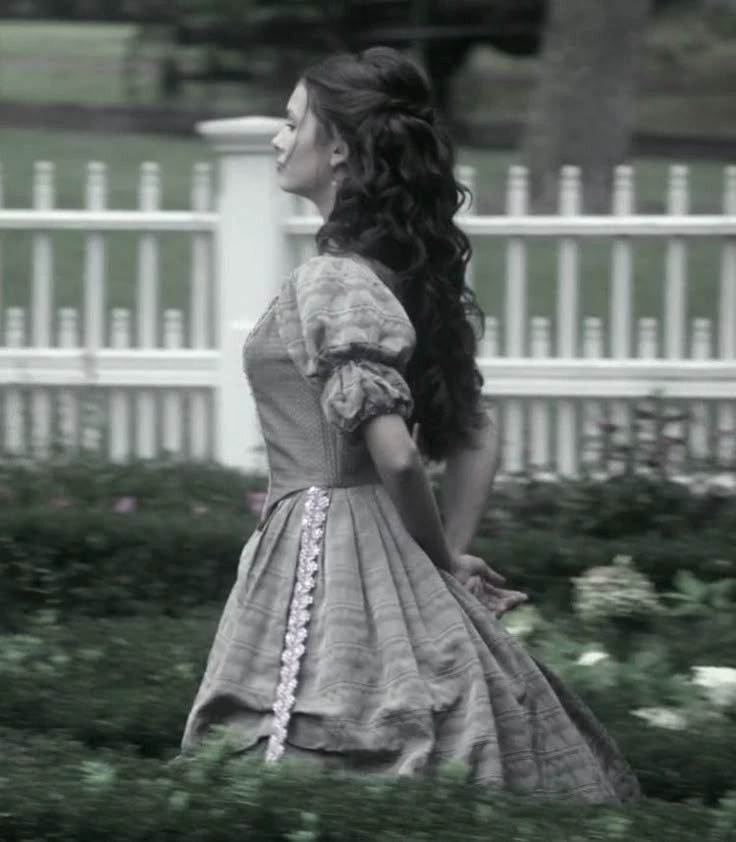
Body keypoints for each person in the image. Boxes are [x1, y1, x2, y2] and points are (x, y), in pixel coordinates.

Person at [180, 46, 640, 804]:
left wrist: (439, 560)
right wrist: (445, 553)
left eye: (292, 122)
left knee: (306, 748)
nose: (277, 139)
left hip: (323, 535)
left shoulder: (333, 278)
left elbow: (395, 456)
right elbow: (475, 430)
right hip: (370, 535)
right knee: (422, 730)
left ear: (339, 148)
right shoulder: (397, 276)